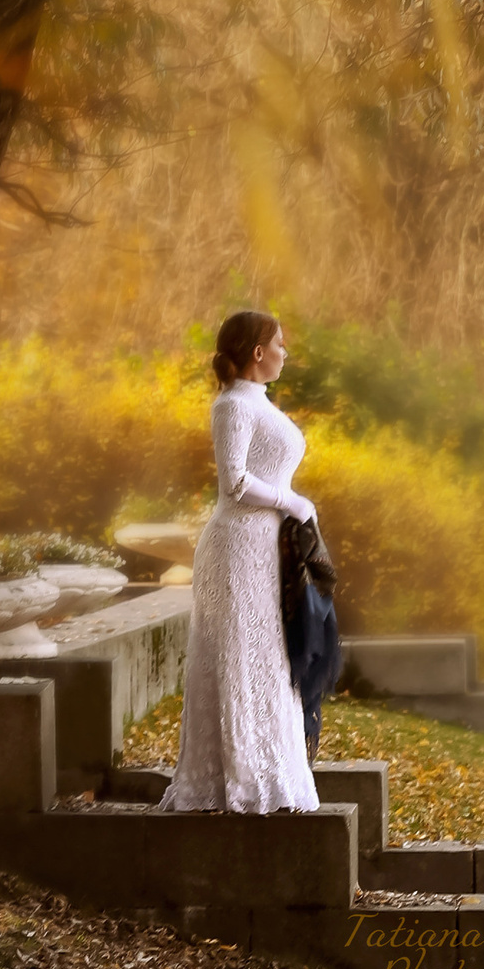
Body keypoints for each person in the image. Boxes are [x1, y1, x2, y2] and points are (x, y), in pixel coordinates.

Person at [160, 310, 321, 813]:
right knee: (238, 654)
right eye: (279, 344)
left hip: (263, 547)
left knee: (267, 656)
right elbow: (234, 481)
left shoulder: (260, 403)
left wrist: (292, 506)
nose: (285, 353)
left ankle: (270, 774)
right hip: (235, 547)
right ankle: (233, 779)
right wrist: (290, 501)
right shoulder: (233, 406)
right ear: (257, 352)